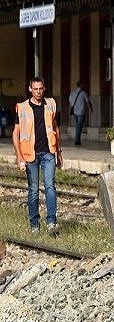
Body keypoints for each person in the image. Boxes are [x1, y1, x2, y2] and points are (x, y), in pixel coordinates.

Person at [12, 77, 61, 233]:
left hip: (48, 152)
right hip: (29, 154)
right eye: (35, 89)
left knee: (50, 186)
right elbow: (16, 133)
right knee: (33, 190)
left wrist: (58, 153)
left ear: (44, 88)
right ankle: (34, 224)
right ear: (30, 89)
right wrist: (19, 156)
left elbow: (55, 128)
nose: (38, 91)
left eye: (40, 89)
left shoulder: (51, 104)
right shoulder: (22, 107)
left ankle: (51, 222)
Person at [67, 81, 91, 146]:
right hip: (81, 112)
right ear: (81, 86)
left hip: (75, 111)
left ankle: (78, 139)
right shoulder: (84, 93)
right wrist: (90, 109)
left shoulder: (72, 93)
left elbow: (70, 102)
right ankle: (77, 140)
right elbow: (87, 101)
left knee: (78, 125)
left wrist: (73, 107)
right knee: (79, 126)